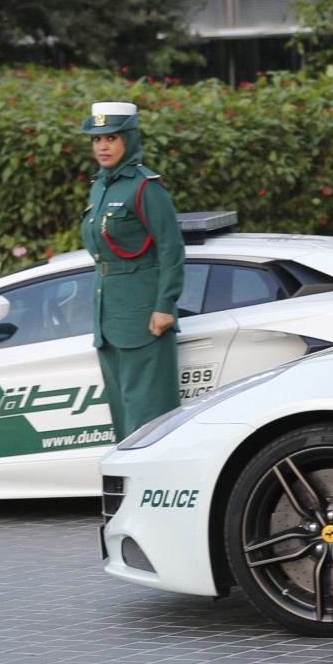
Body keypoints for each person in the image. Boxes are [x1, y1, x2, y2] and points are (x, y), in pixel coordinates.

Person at [79, 101, 186, 440]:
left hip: (144, 319)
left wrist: (165, 307)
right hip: (108, 319)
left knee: (149, 419)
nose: (103, 147)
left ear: (129, 138)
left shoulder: (145, 186)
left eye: (111, 138)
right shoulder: (100, 186)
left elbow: (171, 248)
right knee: (123, 421)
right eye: (97, 140)